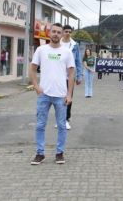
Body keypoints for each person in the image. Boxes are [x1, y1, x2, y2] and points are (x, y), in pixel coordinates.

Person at [30, 23, 75, 165]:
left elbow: (71, 73)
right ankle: (40, 153)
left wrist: (69, 94)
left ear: (62, 35)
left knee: (62, 125)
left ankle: (59, 153)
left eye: (58, 32)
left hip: (61, 95)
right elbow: (32, 68)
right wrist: (36, 86)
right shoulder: (41, 50)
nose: (56, 34)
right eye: (53, 31)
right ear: (49, 33)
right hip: (44, 94)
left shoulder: (67, 52)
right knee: (40, 125)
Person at [60, 25, 83, 130]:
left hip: (70, 76)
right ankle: (60, 119)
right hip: (58, 75)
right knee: (59, 98)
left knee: (68, 97)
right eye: (66, 31)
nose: (68, 33)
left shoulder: (75, 45)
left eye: (69, 31)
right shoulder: (58, 43)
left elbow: (78, 61)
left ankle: (66, 119)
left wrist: (79, 76)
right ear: (63, 32)